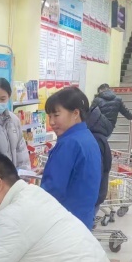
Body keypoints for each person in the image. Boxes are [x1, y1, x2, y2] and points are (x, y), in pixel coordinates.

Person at [41, 87, 101, 229]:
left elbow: (52, 190)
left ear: (75, 113)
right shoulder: (87, 137)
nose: (51, 122)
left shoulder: (69, 143)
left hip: (64, 222)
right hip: (82, 219)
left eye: (56, 115)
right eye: (49, 116)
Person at [86, 106, 114, 215]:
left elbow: (96, 170)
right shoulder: (100, 138)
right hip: (98, 193)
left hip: (92, 195)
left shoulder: (94, 140)